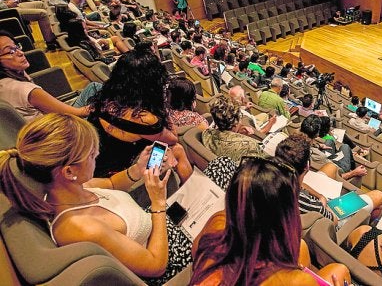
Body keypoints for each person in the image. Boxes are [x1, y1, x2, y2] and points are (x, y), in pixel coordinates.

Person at [0, 113, 192, 285]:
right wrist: (158, 203)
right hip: (170, 257)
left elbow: (111, 183)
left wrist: (137, 169)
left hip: (160, 224)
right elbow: (156, 265)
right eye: (91, 154)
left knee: (221, 165)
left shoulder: (69, 189)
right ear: (68, 171)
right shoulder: (81, 228)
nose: (97, 154)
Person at [190, 155, 351, 285]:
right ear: (287, 217)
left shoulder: (216, 222)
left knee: (301, 248)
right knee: (340, 270)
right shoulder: (298, 281)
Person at [88, 48, 192, 180]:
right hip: (113, 174)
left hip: (94, 163)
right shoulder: (145, 118)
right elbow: (173, 137)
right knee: (177, 149)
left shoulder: (106, 97)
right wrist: (163, 104)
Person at [277, 134, 382, 225]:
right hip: (331, 218)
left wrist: (320, 196)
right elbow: (333, 220)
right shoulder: (307, 204)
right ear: (307, 166)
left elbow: (302, 185)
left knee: (331, 167)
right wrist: (325, 204)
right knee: (379, 196)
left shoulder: (275, 178)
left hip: (315, 203)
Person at [0, 31, 92, 121]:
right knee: (95, 89)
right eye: (11, 51)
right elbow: (78, 113)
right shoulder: (24, 89)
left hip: (45, 125)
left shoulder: (5, 82)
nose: (20, 53)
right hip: (61, 129)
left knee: (93, 87)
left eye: (17, 47)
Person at [301, 115, 367, 180]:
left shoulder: (298, 144)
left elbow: (311, 147)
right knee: (345, 146)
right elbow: (335, 177)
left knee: (329, 141)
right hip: (337, 169)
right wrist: (354, 173)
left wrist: (318, 145)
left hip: (326, 160)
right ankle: (351, 168)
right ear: (317, 134)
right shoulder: (314, 157)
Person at [202, 95, 264, 163]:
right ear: (236, 122)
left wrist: (238, 134)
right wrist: (245, 138)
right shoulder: (250, 146)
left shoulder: (206, 134)